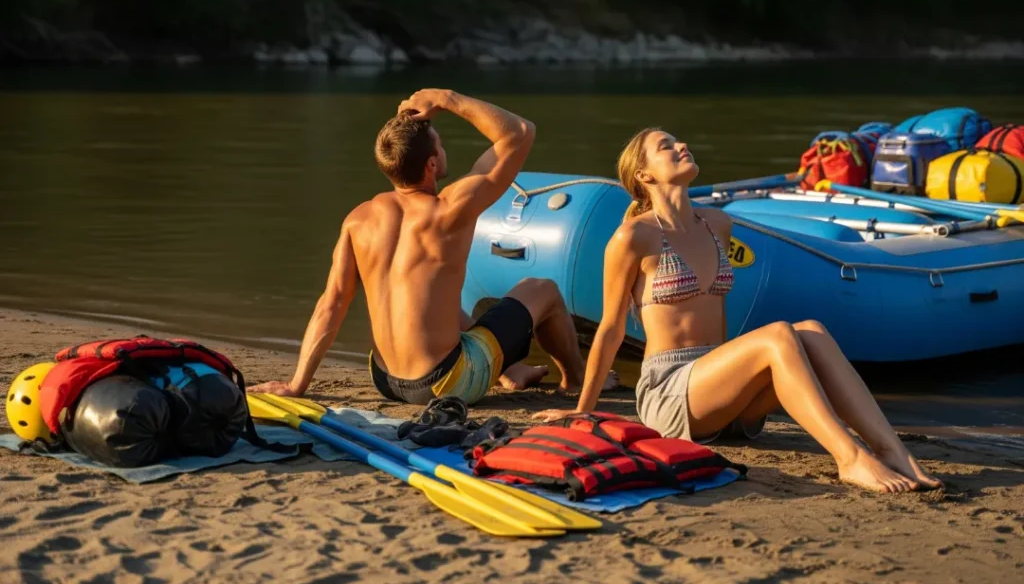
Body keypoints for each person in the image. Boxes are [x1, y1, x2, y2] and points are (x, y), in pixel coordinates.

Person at [533, 127, 942, 493]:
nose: (682, 145)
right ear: (645, 176)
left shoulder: (717, 224)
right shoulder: (633, 237)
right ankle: (850, 458)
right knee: (779, 334)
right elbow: (610, 328)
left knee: (811, 330)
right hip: (672, 393)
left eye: (679, 140)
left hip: (724, 396)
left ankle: (893, 450)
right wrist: (582, 411)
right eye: (666, 146)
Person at [251, 88, 616, 405]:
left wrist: (298, 384)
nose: (443, 149)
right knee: (544, 290)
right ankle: (577, 380)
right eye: (440, 145)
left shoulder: (358, 219)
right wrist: (446, 99)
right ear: (431, 163)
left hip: (386, 380)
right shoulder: (450, 209)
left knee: (436, 291)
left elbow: (331, 304)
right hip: (448, 382)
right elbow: (520, 133)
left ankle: (513, 370)